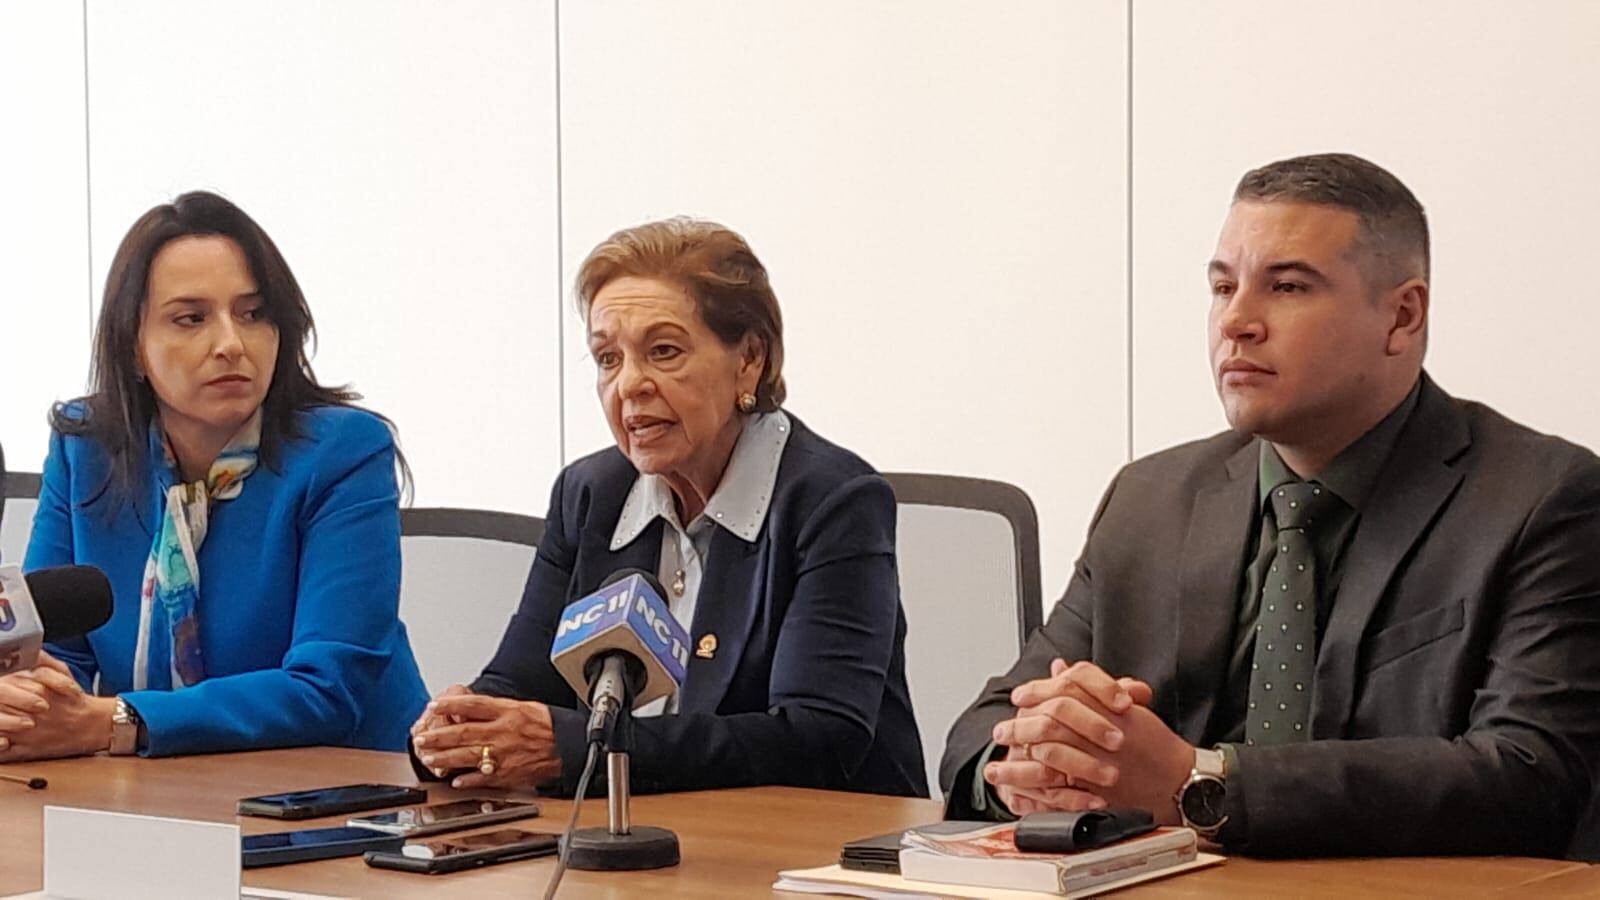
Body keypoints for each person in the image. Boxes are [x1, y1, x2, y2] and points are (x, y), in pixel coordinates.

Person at [942, 153, 1600, 857]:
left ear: (1402, 316)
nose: (1237, 321)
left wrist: (1196, 782)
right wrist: (1038, 765)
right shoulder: (1150, 498)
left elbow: (1532, 774)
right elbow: (984, 727)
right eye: (1222, 287)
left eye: (1286, 286)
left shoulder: (1542, 498)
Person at [410, 218, 926, 797]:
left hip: (810, 854)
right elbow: (522, 682)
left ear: (749, 360)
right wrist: (462, 729)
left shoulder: (832, 500)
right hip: (632, 849)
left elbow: (817, 740)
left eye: (663, 352)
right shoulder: (589, 495)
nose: (630, 384)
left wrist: (580, 748)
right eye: (608, 359)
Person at [0, 191, 428, 761]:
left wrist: (115, 720)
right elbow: (53, 658)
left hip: (344, 796)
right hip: (148, 790)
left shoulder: (343, 453)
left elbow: (330, 689)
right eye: (191, 318)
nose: (230, 344)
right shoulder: (87, 448)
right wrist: (24, 706)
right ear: (133, 347)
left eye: (253, 314)